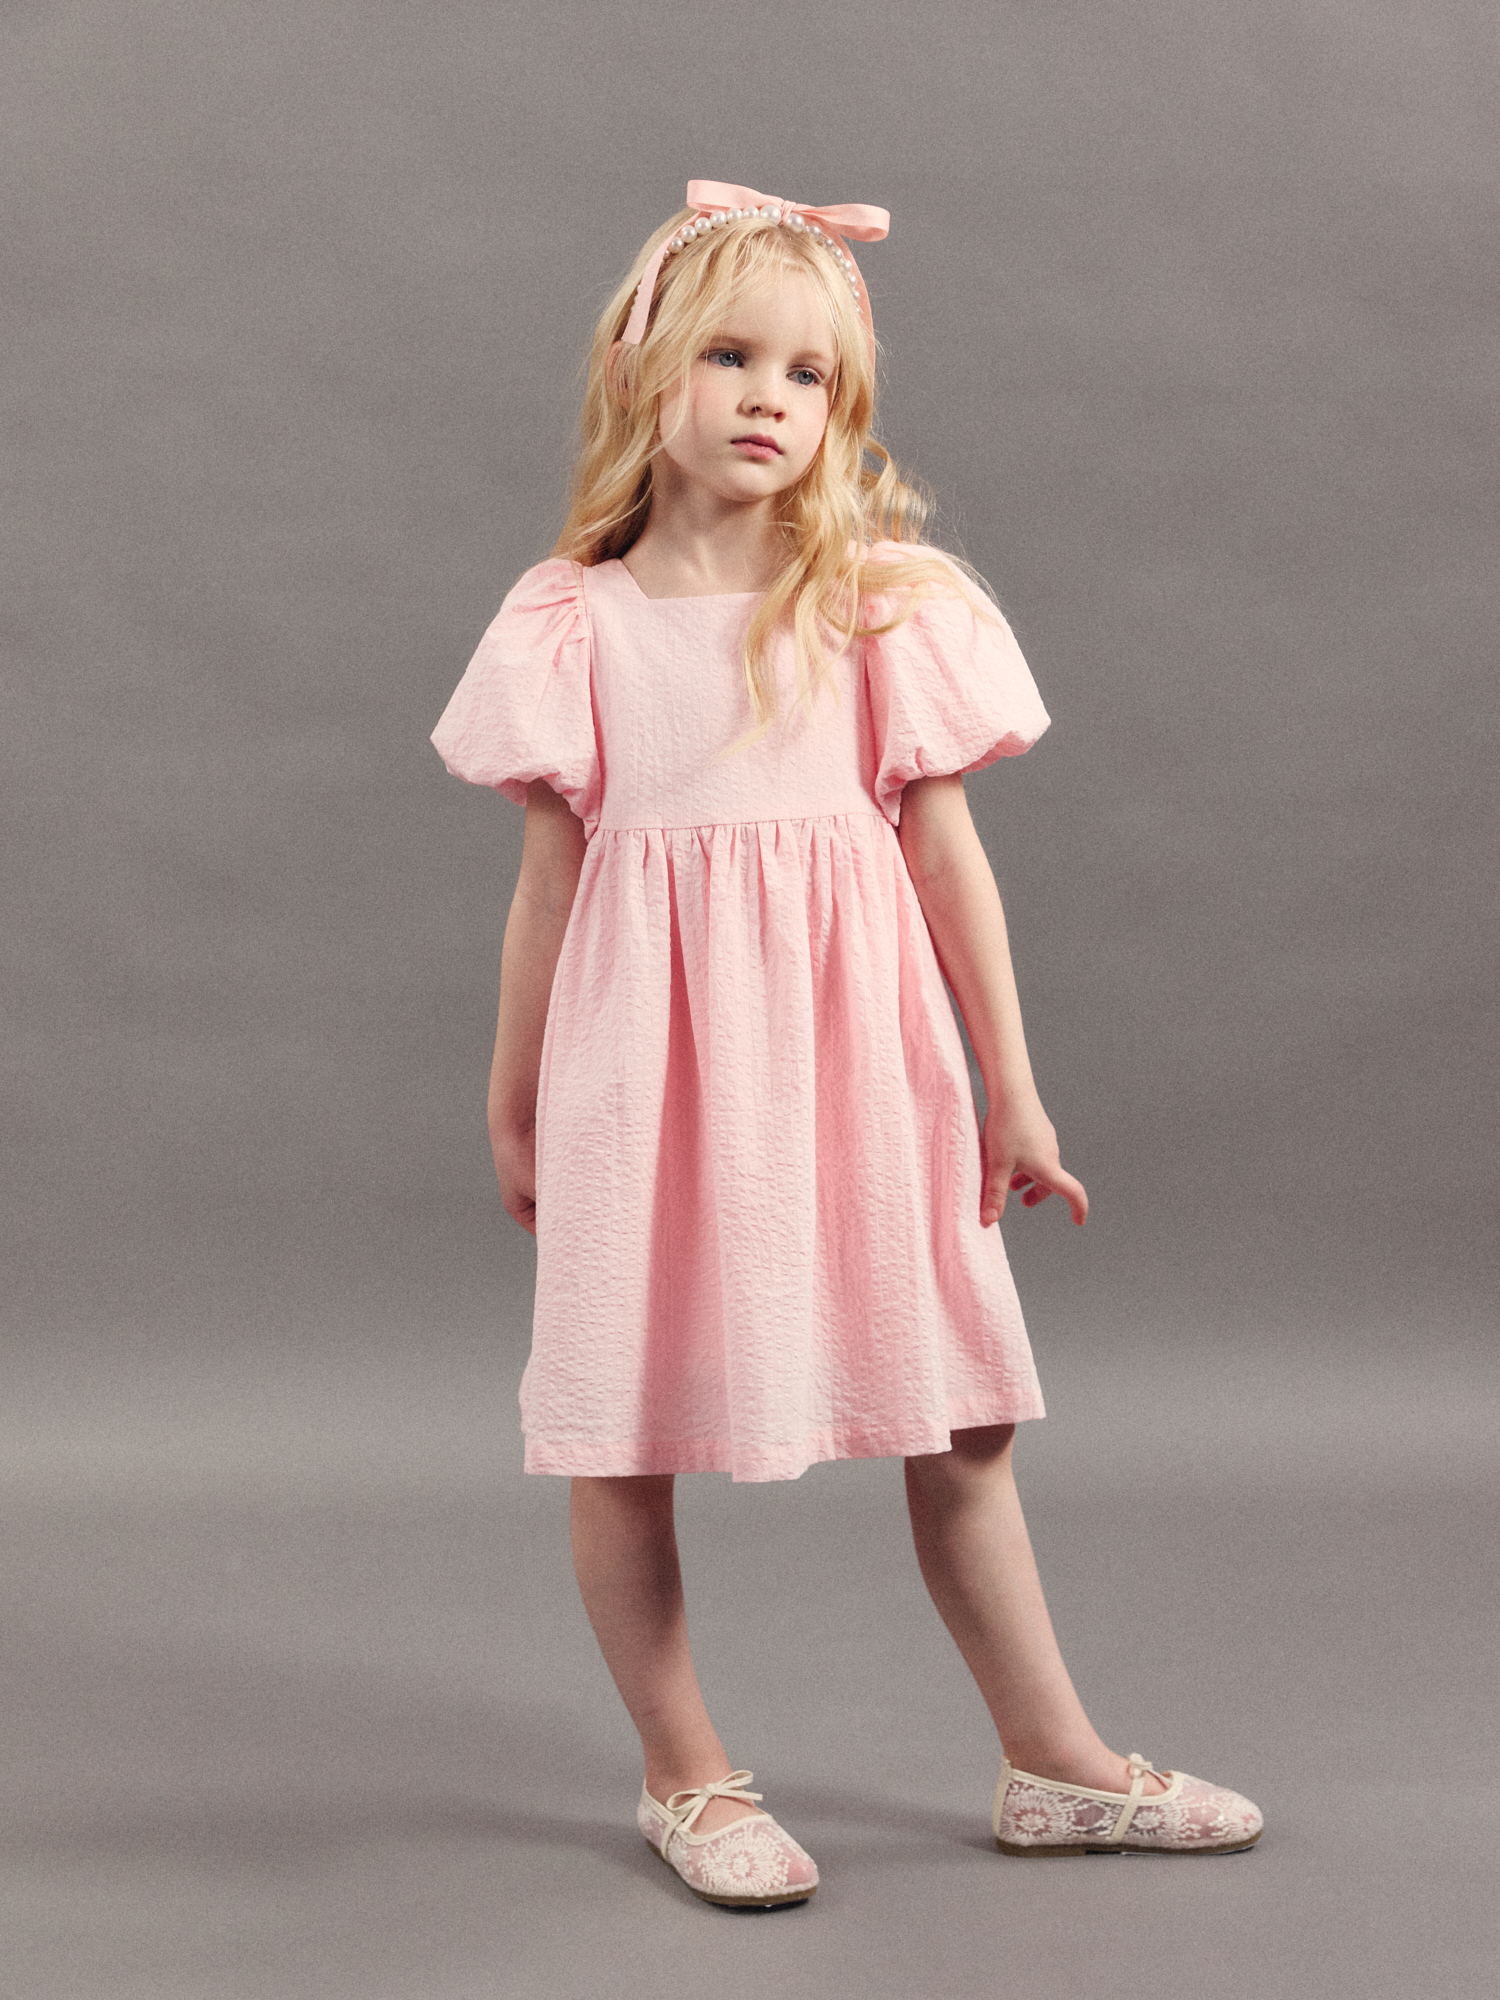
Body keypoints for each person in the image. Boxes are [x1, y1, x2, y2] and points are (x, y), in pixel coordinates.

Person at [432, 180, 1262, 1908]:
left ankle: (1056, 1764)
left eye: (807, 375)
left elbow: (949, 863)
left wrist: (1014, 1091)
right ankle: (687, 1777)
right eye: (730, 356)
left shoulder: (877, 600)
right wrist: (512, 1104)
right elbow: (546, 890)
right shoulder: (572, 624)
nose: (768, 399)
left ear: (841, 410)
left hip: (862, 1069)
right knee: (618, 1430)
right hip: (649, 1083)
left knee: (964, 1417)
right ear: (641, 372)